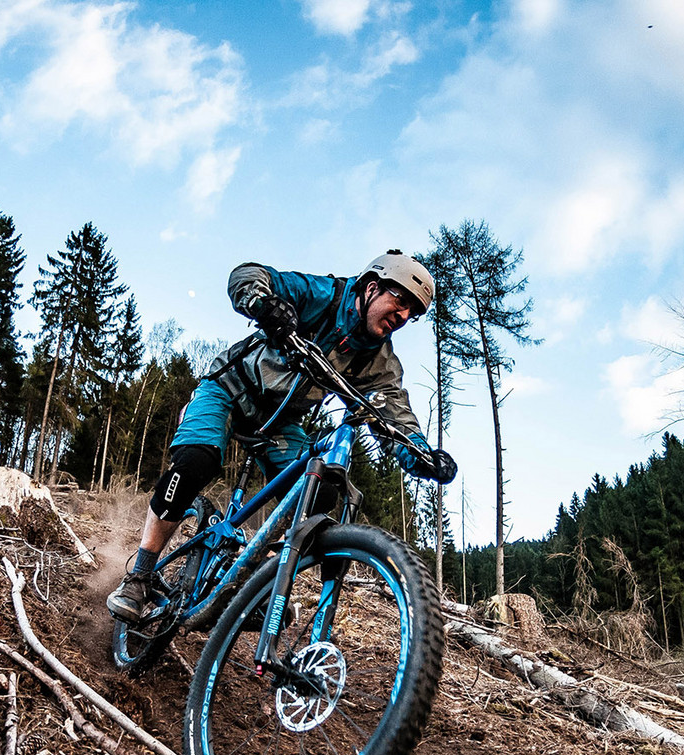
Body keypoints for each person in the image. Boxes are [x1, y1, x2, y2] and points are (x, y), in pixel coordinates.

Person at [107, 250, 458, 623]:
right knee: (196, 462)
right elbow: (247, 274)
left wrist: (422, 455)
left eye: (413, 313)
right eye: (400, 301)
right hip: (228, 390)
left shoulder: (378, 362)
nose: (403, 316)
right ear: (372, 287)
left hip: (279, 423)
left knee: (319, 495)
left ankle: (252, 586)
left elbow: (393, 414)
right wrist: (265, 303)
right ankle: (140, 575)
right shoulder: (322, 295)